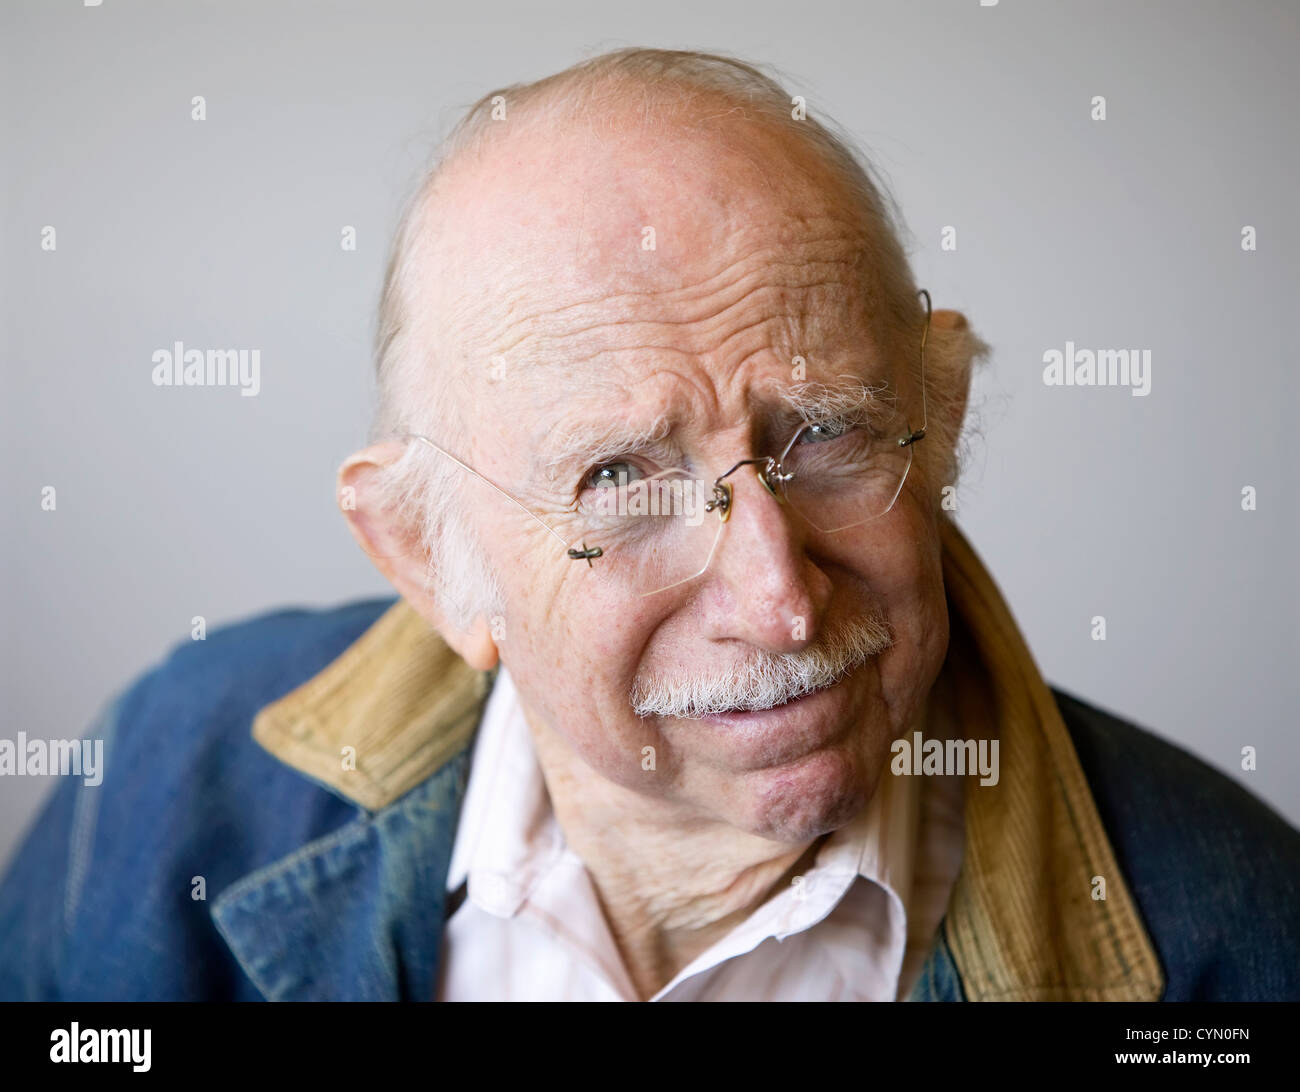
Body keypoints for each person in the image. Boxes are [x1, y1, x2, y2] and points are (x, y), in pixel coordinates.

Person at [2, 47, 1297, 1002]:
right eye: (622, 481)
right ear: (424, 556)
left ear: (941, 419)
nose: (780, 599)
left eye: (831, 434)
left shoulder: (1239, 936)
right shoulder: (168, 781)